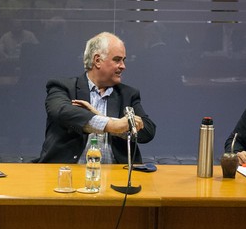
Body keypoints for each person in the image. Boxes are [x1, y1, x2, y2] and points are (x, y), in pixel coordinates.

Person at [36, 31, 156, 165]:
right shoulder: (63, 87)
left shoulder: (128, 94)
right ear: (97, 60)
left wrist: (108, 121)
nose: (123, 66)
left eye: (123, 60)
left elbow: (148, 132)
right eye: (117, 60)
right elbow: (62, 112)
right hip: (68, 172)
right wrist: (113, 125)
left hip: (116, 176)